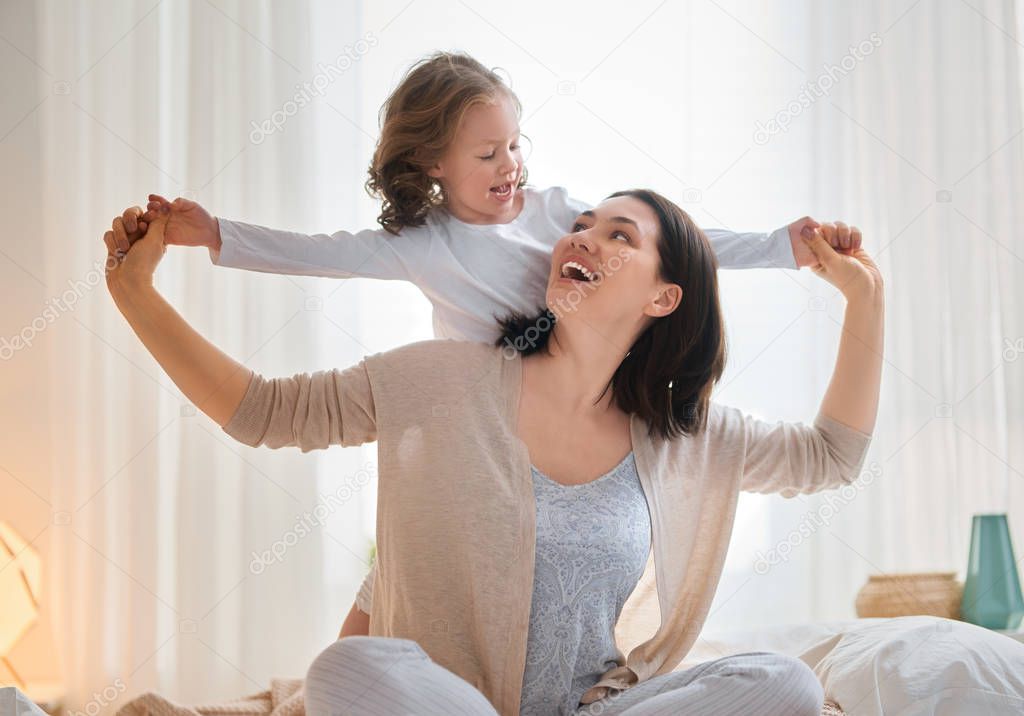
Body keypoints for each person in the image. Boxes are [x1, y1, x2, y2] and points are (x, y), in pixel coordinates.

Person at [105, 51, 859, 641]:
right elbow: (322, 253)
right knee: (362, 654)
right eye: (488, 154)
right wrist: (217, 236)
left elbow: (681, 251)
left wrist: (780, 247)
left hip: (534, 449)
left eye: (514, 146)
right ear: (434, 163)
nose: (511, 167)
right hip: (467, 448)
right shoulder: (424, 249)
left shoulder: (561, 215)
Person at [104, 186, 883, 715]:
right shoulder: (441, 380)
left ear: (663, 297)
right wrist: (135, 294)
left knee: (782, 685)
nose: (583, 237)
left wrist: (866, 300)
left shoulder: (687, 433)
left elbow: (831, 456)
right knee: (345, 671)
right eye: (581, 225)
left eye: (620, 235)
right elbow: (264, 410)